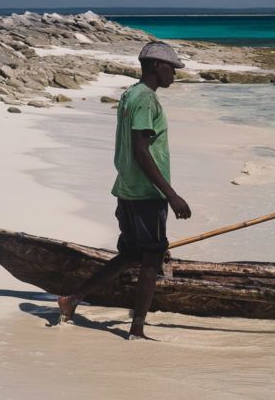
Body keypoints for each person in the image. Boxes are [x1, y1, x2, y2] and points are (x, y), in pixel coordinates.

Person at [58, 40, 192, 339]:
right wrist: (171, 195)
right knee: (151, 260)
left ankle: (71, 299)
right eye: (172, 68)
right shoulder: (146, 99)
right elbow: (142, 150)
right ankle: (137, 329)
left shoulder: (130, 94)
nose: (175, 74)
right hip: (146, 194)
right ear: (157, 66)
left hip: (127, 189)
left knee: (130, 254)